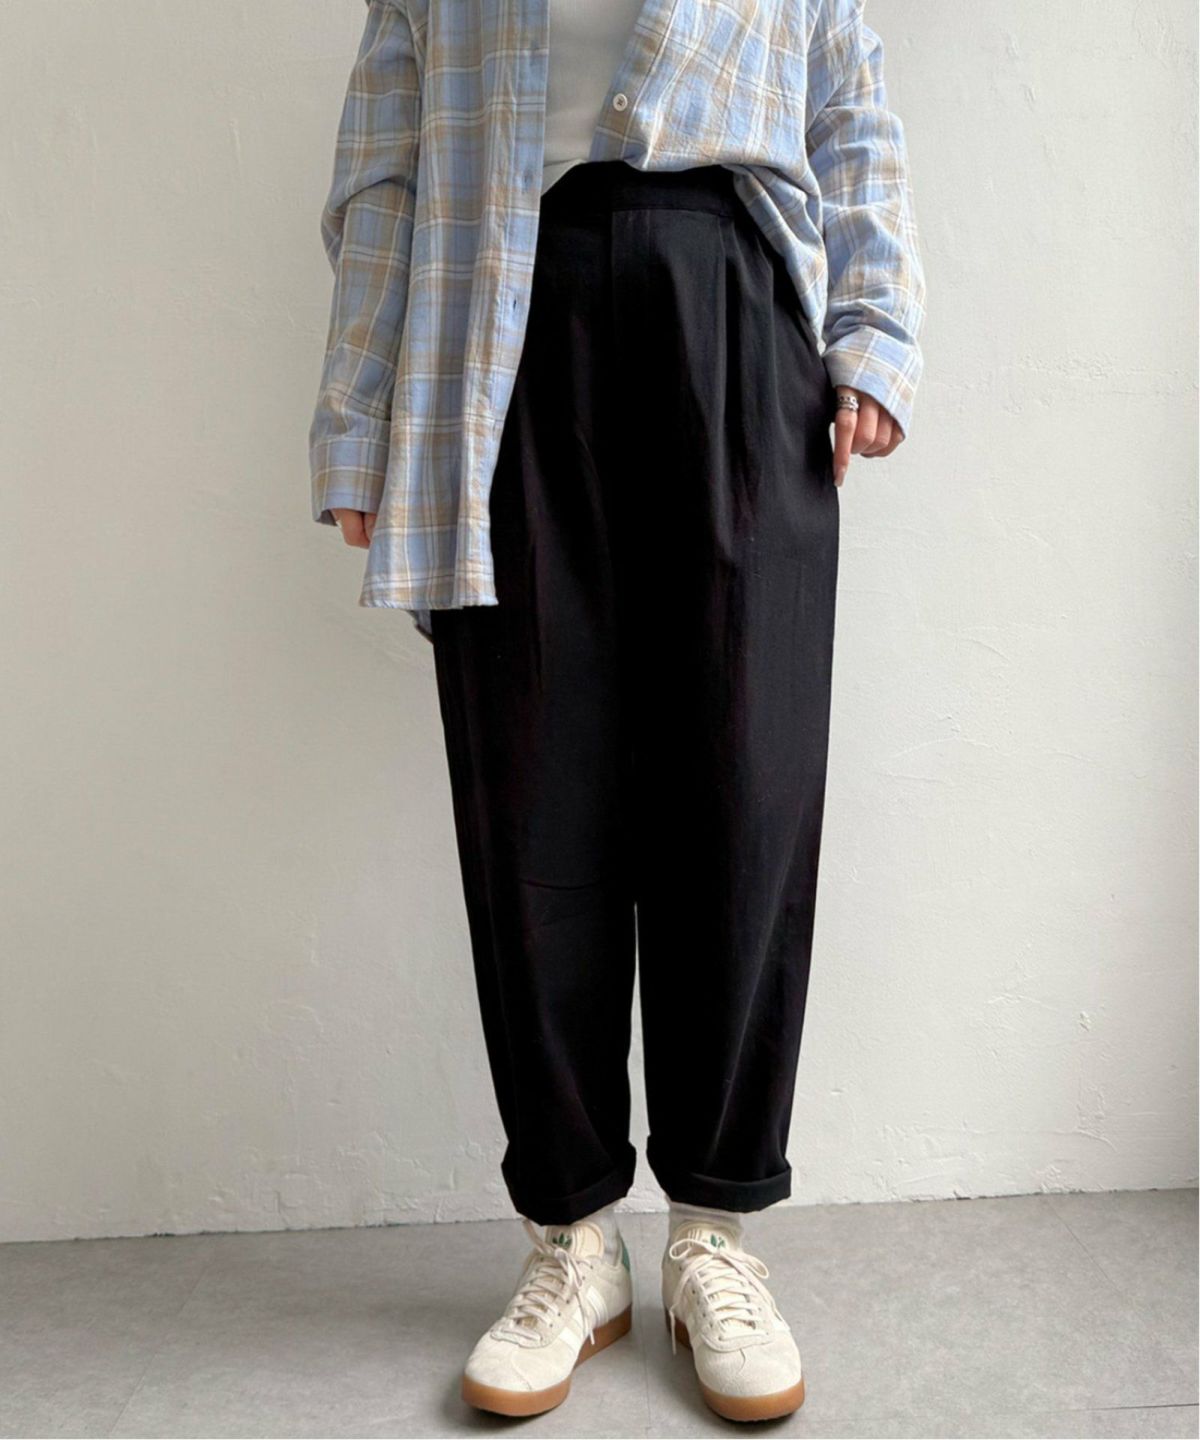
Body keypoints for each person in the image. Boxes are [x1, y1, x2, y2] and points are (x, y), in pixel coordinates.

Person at [309, 0, 926, 1423]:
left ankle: (716, 1231)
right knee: (531, 786)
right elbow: (385, 167)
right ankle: (573, 1239)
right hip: (499, 331)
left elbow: (850, 105)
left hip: (739, 315)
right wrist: (357, 420)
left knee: (746, 780)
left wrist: (874, 334)